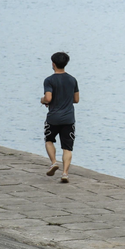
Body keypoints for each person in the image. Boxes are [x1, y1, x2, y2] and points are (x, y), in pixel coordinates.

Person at [40, 52, 79, 183]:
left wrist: (43, 100)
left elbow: (48, 98)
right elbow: (76, 99)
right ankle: (65, 173)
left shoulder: (49, 80)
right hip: (68, 119)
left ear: (53, 64)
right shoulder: (72, 80)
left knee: (49, 140)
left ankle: (54, 162)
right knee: (67, 147)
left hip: (53, 118)